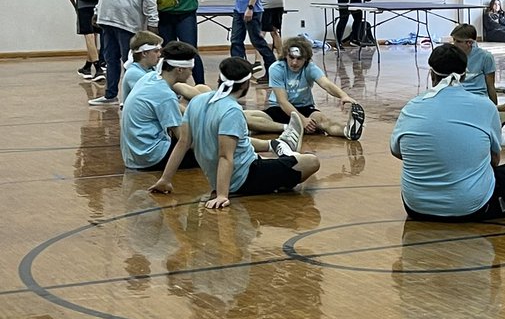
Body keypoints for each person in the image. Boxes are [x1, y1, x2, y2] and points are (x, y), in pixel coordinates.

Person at [390, 44, 505, 222]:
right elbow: (494, 161)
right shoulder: (485, 107)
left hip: (416, 207)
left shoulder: (411, 107)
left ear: (431, 74)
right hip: (472, 208)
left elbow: (397, 152)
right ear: (465, 74)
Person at [150, 57, 319, 209]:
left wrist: (165, 179)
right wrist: (223, 194)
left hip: (232, 171)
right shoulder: (232, 110)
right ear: (245, 85)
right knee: (311, 161)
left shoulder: (198, 101)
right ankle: (284, 150)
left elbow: (182, 143)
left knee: (266, 159)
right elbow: (225, 156)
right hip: (244, 178)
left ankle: (281, 150)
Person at [120, 41, 201, 172]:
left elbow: (180, 97)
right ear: (179, 69)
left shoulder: (151, 77)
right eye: (190, 70)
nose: (191, 74)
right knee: (213, 150)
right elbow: (183, 140)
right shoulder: (165, 95)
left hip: (133, 155)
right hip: (151, 158)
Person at [265, 36, 365, 140]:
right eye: (291, 58)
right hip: (279, 109)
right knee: (250, 117)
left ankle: (348, 131)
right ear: (286, 55)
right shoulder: (276, 68)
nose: (294, 63)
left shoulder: (309, 67)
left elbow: (326, 84)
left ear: (306, 59)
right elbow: (282, 101)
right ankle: (287, 127)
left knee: (323, 120)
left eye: (299, 59)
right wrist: (302, 120)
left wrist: (343, 96)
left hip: (304, 108)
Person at [451, 24, 497, 103]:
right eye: (453, 40)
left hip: (478, 97)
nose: (454, 44)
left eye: (458, 41)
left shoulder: (486, 57)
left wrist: (495, 109)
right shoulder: (450, 55)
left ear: (469, 42)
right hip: (457, 96)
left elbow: (491, 86)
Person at [121, 31, 162, 101]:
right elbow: (156, 96)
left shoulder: (150, 69)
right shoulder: (134, 73)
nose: (159, 55)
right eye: (156, 51)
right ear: (144, 53)